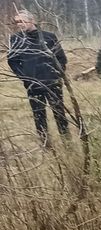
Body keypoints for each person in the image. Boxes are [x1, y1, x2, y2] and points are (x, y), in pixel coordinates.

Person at [6, 9, 70, 146]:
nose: (19, 24)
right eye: (17, 22)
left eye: (22, 21)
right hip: (33, 85)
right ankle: (46, 144)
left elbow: (61, 58)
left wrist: (57, 75)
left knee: (59, 113)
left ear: (32, 21)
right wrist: (26, 78)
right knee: (39, 115)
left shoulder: (48, 37)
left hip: (52, 83)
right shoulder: (16, 39)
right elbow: (12, 61)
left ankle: (67, 141)